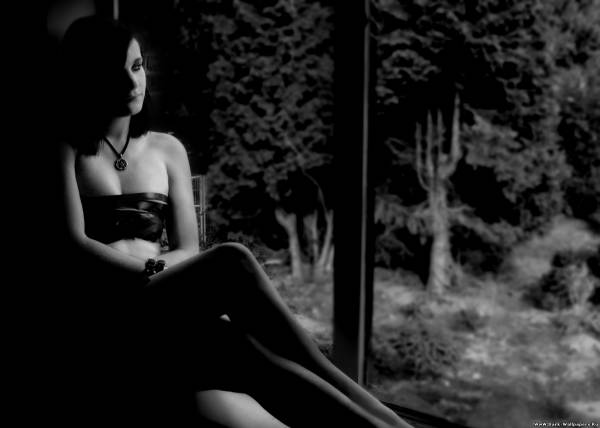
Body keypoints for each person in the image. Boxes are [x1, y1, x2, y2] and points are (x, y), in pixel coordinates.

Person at [54, 15, 414, 428]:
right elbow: (72, 245)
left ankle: (390, 424)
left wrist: (157, 274)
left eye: (137, 67)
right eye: (113, 73)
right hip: (106, 313)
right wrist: (147, 271)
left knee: (256, 358)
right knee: (232, 261)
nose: (132, 82)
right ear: (87, 79)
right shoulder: (65, 149)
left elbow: (189, 248)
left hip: (162, 297)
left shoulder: (167, 149)